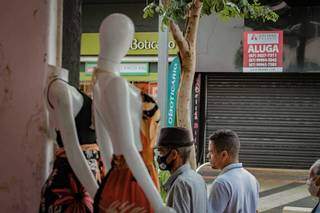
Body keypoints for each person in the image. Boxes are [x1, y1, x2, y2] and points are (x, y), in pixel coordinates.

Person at [92, 14, 174, 213]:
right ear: (128, 42)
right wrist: (158, 204)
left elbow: (104, 145)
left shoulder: (98, 83)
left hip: (114, 181)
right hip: (135, 183)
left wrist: (107, 185)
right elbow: (128, 147)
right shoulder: (116, 84)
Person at [39, 65, 105, 213]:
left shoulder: (63, 89)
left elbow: (52, 134)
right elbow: (72, 149)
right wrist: (100, 198)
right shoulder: (59, 89)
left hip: (86, 183)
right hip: (72, 190)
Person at [156, 127, 207, 213]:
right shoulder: (198, 178)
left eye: (161, 152)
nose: (159, 157)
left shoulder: (180, 184)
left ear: (174, 154)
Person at [207, 129, 259, 213]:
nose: (208, 156)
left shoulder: (221, 183)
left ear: (224, 155)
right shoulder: (252, 179)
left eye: (211, 152)